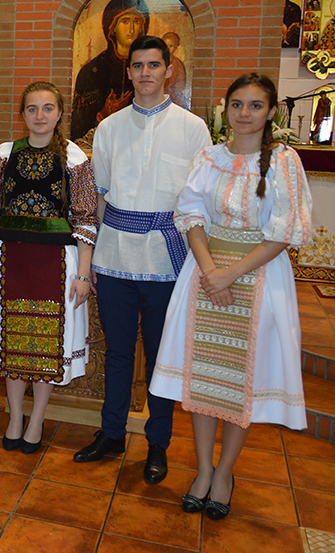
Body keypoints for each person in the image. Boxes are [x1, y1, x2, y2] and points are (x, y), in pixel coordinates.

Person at [150, 73, 312, 519]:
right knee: (203, 377)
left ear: (272, 111)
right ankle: (203, 470)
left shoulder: (284, 162)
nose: (244, 114)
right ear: (226, 109)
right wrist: (209, 271)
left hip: (258, 278)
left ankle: (224, 473)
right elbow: (191, 214)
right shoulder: (210, 157)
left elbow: (284, 231)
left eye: (255, 106)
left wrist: (232, 275)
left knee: (241, 382)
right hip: (205, 275)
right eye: (237, 105)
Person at [73, 36, 211, 485]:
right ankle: (112, 434)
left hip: (167, 259)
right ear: (129, 71)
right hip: (114, 255)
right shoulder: (110, 128)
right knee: (116, 352)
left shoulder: (193, 128)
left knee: (159, 357)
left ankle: (157, 444)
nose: (146, 73)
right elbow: (99, 197)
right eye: (138, 65)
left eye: (154, 65)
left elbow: (198, 202)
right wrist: (92, 256)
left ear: (168, 70)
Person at [0, 81, 99, 455]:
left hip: (56, 262)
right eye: (32, 109)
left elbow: (85, 219)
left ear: (59, 114)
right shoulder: (4, 154)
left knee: (45, 345)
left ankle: (37, 419)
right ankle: (15, 416)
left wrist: (83, 274)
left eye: (47, 108)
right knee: (12, 343)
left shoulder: (74, 158)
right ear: (23, 114)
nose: (40, 116)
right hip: (8, 258)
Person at [71, 0, 150, 141]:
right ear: (112, 27)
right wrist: (103, 114)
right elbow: (79, 128)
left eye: (137, 21)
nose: (131, 29)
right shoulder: (93, 71)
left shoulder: (148, 71)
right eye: (125, 21)